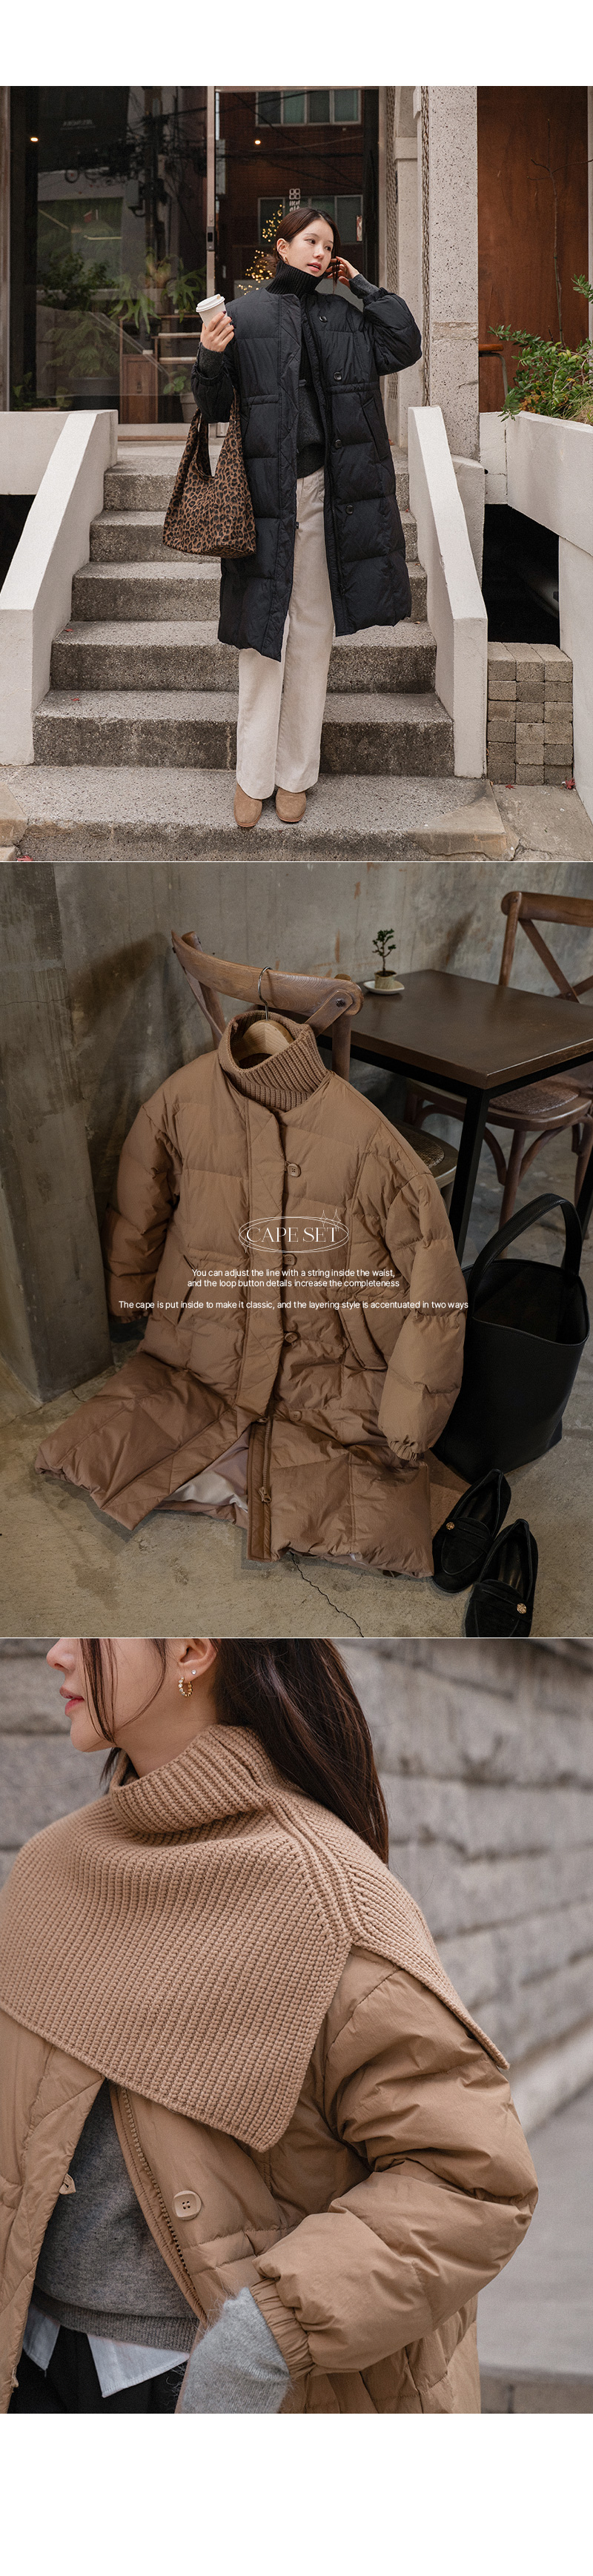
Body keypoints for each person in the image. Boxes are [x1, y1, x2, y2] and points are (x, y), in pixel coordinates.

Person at [1, 1637, 537, 2416]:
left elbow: (472, 2180)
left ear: (191, 1649)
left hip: (210, 2386)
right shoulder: (50, 1867)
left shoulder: (328, 1896)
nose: (56, 1654)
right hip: (33, 2368)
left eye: (89, 1628)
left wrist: (264, 2338)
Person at [192, 207, 422, 829]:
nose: (321, 252)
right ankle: (252, 776)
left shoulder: (344, 314)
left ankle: (294, 775)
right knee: (262, 636)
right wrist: (209, 357)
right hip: (263, 496)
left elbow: (405, 343)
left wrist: (362, 285)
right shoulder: (243, 316)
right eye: (311, 241)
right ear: (283, 246)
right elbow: (212, 405)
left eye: (330, 244)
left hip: (325, 491)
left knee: (314, 631)